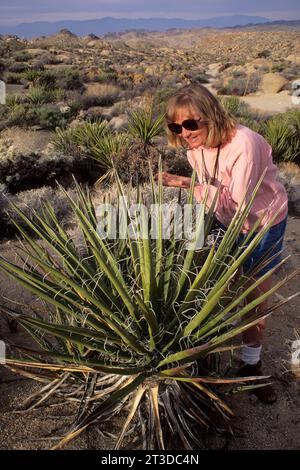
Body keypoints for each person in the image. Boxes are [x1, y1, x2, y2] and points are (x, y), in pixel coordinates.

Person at [160, 83, 288, 404]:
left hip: (260, 224)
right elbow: (215, 190)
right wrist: (188, 182)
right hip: (224, 220)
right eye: (177, 126)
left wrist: (191, 188)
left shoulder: (244, 144)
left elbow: (239, 203)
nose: (185, 133)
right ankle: (216, 350)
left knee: (254, 295)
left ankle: (251, 366)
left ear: (212, 116)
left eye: (191, 124)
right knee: (221, 285)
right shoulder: (194, 149)